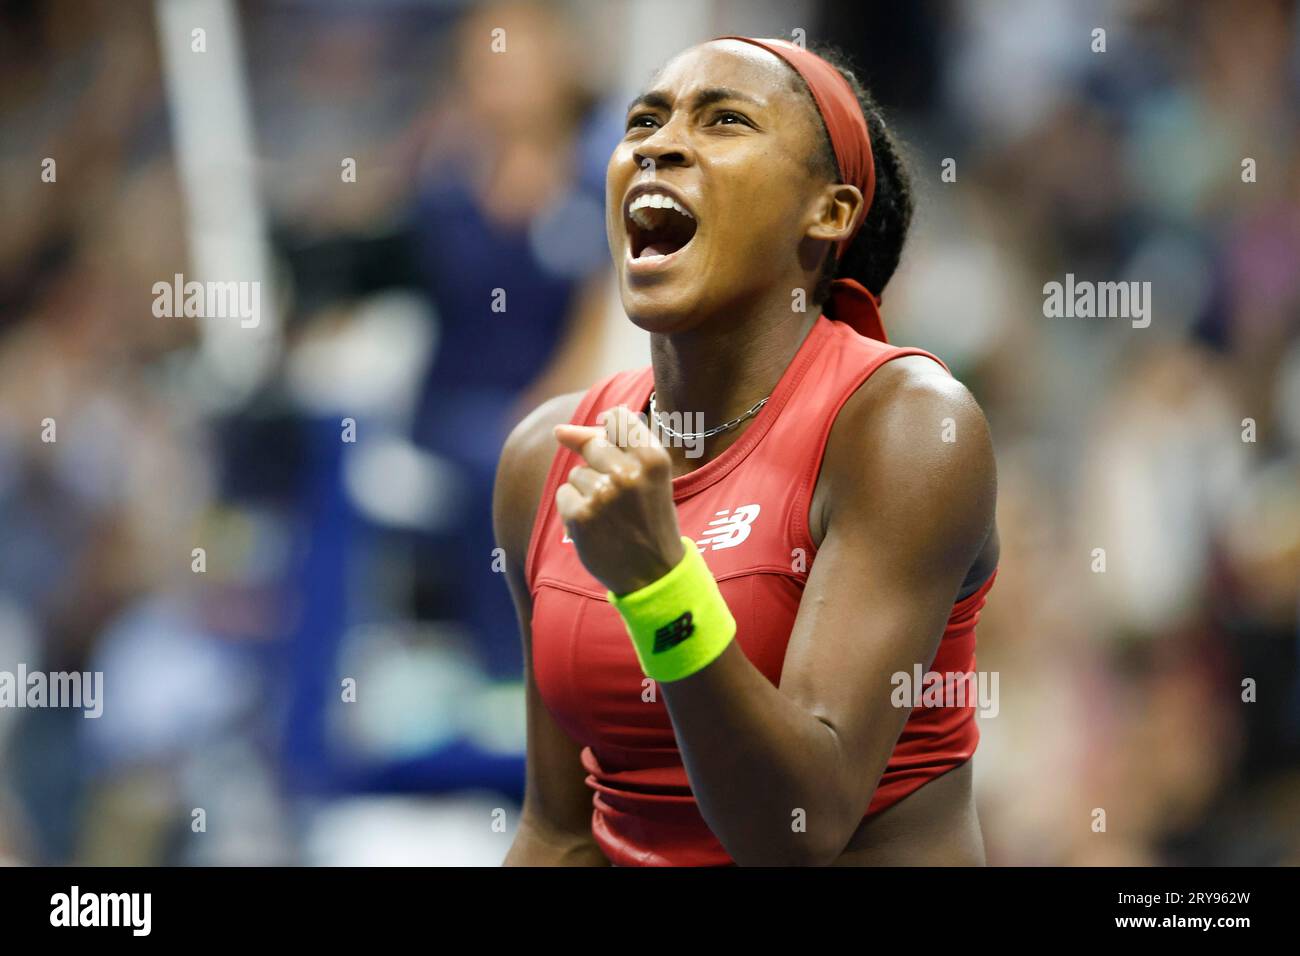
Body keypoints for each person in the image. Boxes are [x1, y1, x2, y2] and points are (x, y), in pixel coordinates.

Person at [494, 36, 999, 866]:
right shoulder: (546, 458)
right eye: (644, 122)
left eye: (724, 121)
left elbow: (798, 828)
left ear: (829, 212)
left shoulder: (906, 428)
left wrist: (661, 586)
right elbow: (558, 830)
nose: (658, 144)